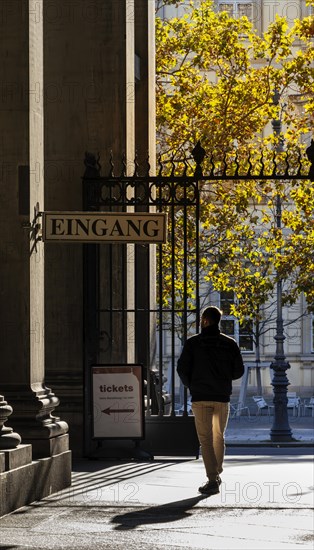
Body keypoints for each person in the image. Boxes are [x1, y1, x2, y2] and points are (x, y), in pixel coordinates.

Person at [177, 305, 244, 496]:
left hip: (200, 397)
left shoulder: (192, 344)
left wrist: (193, 385)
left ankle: (212, 479)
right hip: (222, 397)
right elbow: (238, 370)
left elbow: (181, 368)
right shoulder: (229, 343)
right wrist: (223, 379)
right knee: (218, 436)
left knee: (205, 440)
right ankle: (216, 473)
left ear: (205, 320)